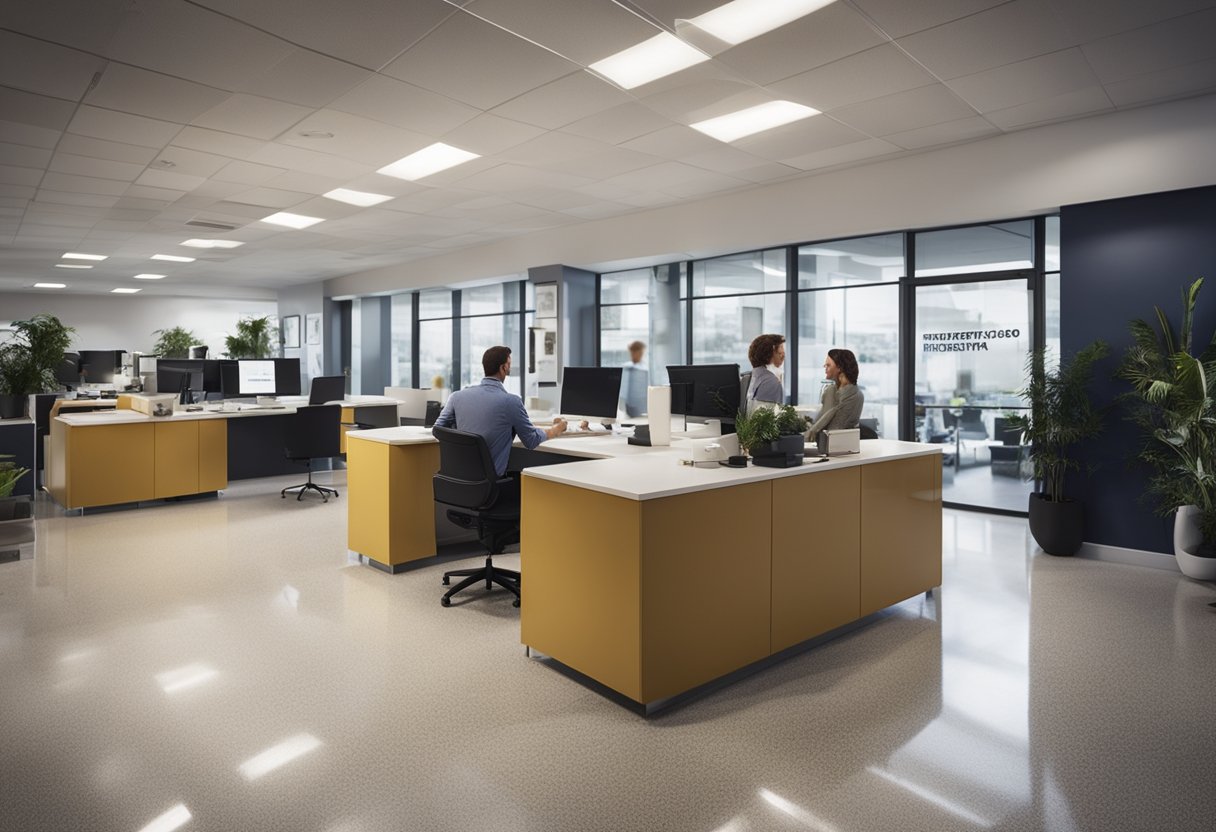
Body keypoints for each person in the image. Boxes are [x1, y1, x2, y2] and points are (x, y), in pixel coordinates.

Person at [433, 345, 567, 480]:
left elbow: (438, 429)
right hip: (489, 485)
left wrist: (464, 431)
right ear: (503, 368)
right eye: (509, 364)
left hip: (457, 479)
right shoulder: (511, 402)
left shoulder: (456, 397)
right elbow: (531, 440)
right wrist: (555, 430)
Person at [805, 348, 864, 440]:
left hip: (835, 444)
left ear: (839, 368)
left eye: (828, 365)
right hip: (832, 443)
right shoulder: (832, 390)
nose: (825, 367)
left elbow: (832, 428)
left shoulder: (851, 395)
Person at [745, 333, 786, 414]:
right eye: (781, 348)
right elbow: (766, 421)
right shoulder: (770, 381)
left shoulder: (751, 376)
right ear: (772, 350)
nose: (783, 354)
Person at [620, 340, 648, 417]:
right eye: (639, 352)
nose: (641, 354)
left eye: (642, 352)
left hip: (641, 405)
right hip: (628, 406)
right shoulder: (627, 368)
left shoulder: (645, 368)